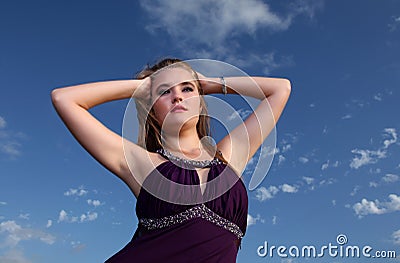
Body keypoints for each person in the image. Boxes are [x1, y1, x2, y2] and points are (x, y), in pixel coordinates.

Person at [51, 58, 291, 262]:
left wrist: (212, 84)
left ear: (201, 100)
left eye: (187, 89)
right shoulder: (141, 163)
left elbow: (280, 89)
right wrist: (143, 87)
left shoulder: (229, 155)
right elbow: (65, 99)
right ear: (152, 109)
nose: (177, 96)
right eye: (165, 92)